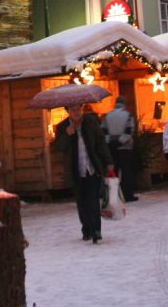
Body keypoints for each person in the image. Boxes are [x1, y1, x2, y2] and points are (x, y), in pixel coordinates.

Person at [52, 102, 113, 244]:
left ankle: (96, 230)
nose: (76, 112)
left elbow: (101, 143)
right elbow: (58, 148)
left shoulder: (91, 122)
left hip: (91, 168)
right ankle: (86, 229)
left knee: (93, 200)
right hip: (75, 170)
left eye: (78, 109)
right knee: (82, 201)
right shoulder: (62, 127)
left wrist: (108, 161)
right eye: (73, 109)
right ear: (68, 111)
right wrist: (67, 134)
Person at [102, 96, 138, 202]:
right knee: (126, 171)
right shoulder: (128, 115)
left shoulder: (108, 116)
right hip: (125, 148)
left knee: (114, 172)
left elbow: (103, 131)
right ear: (124, 104)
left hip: (112, 148)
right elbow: (129, 131)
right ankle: (128, 195)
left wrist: (111, 142)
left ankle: (114, 196)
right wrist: (120, 141)